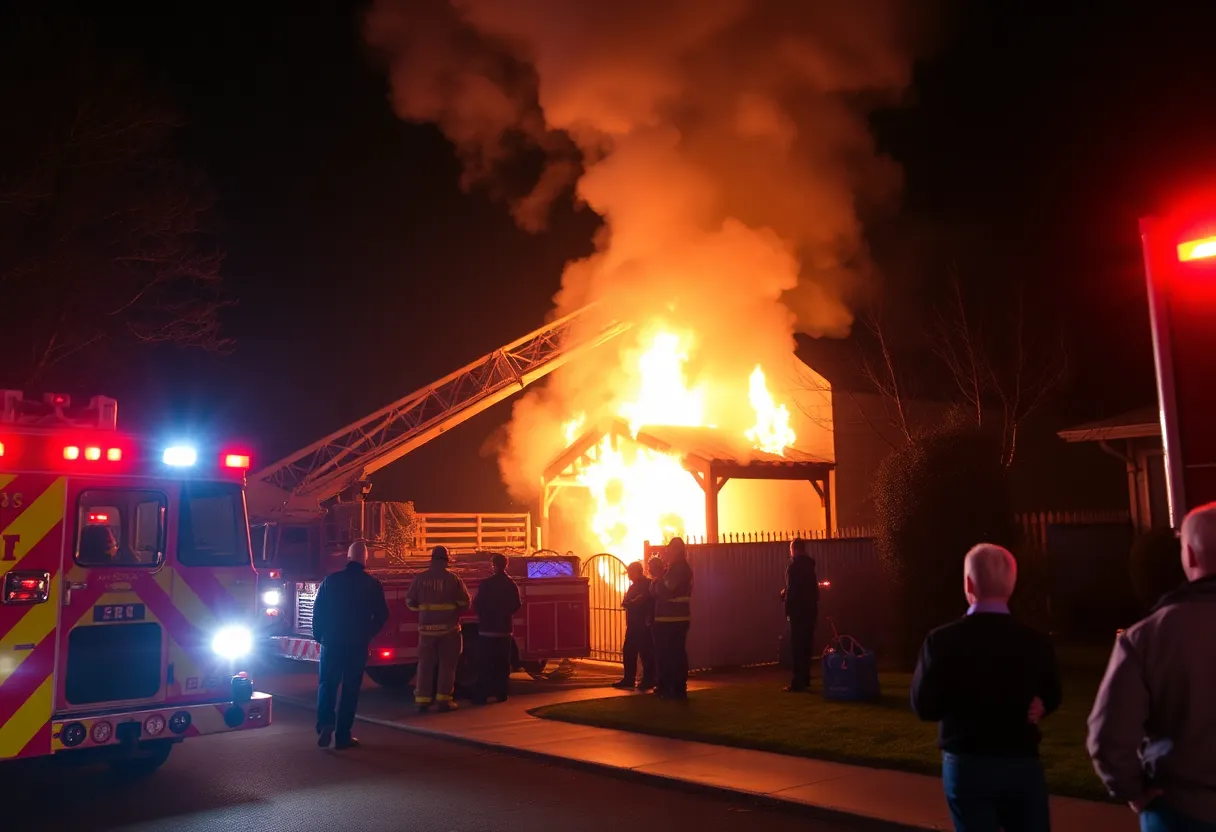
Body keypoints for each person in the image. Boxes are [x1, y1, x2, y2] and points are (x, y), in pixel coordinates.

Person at [910, 543, 1061, 832]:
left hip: (967, 762)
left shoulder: (942, 642)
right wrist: (1042, 703)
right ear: (1012, 585)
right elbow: (1053, 693)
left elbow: (924, 705)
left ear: (968, 584)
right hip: (1021, 761)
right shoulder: (1036, 643)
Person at [1088, 502, 1216, 831]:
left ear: (1188, 554)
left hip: (1181, 812)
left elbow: (1108, 739)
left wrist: (1132, 790)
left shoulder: (1148, 637)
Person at [311, 540, 389, 749]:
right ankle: (343, 735)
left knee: (327, 684)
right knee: (350, 689)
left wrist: (320, 636)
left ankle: (325, 725)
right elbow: (382, 615)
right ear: (365, 560)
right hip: (356, 644)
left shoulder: (330, 581)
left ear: (347, 558)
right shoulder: (372, 584)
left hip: (332, 642)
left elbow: (318, 612)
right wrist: (367, 634)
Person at [406, 545, 471, 712]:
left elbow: (410, 602)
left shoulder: (419, 579)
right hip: (448, 630)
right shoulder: (453, 579)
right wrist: (454, 609)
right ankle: (444, 701)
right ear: (446, 559)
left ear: (432, 559)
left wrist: (423, 611)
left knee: (425, 665)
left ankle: (422, 700)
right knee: (447, 666)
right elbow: (465, 603)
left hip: (426, 631)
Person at [472, 553, 521, 705]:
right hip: (504, 631)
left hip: (486, 630)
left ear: (493, 565)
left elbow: (476, 604)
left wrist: (483, 616)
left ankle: (482, 696)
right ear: (506, 565)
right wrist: (505, 615)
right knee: (502, 664)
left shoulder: (486, 584)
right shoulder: (510, 584)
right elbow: (517, 605)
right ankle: (502, 694)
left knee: (486, 663)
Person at [651, 537, 693, 700]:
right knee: (672, 653)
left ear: (676, 550)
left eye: (669, 549)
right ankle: (671, 686)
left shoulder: (679, 568)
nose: (667, 552)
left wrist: (655, 582)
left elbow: (664, 589)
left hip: (672, 620)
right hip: (672, 619)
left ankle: (674, 687)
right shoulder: (676, 568)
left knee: (671, 654)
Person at [780, 538, 820, 693]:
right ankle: (806, 678)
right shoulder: (810, 566)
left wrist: (787, 608)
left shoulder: (793, 567)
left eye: (791, 549)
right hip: (810, 611)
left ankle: (798, 682)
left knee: (797, 647)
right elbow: (812, 590)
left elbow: (792, 591)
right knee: (807, 646)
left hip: (798, 613)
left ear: (795, 549)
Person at [613, 561, 656, 691]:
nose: (628, 576)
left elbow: (641, 601)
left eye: (631, 572)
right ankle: (628, 679)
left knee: (646, 653)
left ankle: (649, 680)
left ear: (638, 571)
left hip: (643, 625)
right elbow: (626, 602)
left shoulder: (647, 584)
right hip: (633, 625)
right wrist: (631, 602)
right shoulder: (633, 587)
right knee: (629, 651)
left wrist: (631, 602)